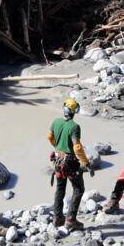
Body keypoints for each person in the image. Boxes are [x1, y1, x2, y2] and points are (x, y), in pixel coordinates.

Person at [47, 97, 93, 230]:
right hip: (70, 163)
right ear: (74, 111)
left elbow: (49, 136)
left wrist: (56, 146)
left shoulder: (56, 122)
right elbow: (77, 147)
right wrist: (86, 163)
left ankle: (57, 218)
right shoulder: (74, 126)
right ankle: (71, 219)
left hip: (57, 160)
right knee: (78, 189)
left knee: (60, 189)